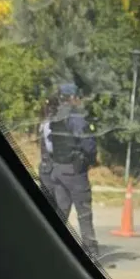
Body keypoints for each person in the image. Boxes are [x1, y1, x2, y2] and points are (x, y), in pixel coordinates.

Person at [43, 82, 99, 257]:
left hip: (58, 170)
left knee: (61, 210)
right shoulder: (76, 118)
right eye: (77, 97)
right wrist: (90, 159)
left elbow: (49, 145)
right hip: (75, 172)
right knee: (84, 212)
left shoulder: (55, 117)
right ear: (73, 98)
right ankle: (91, 253)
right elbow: (88, 145)